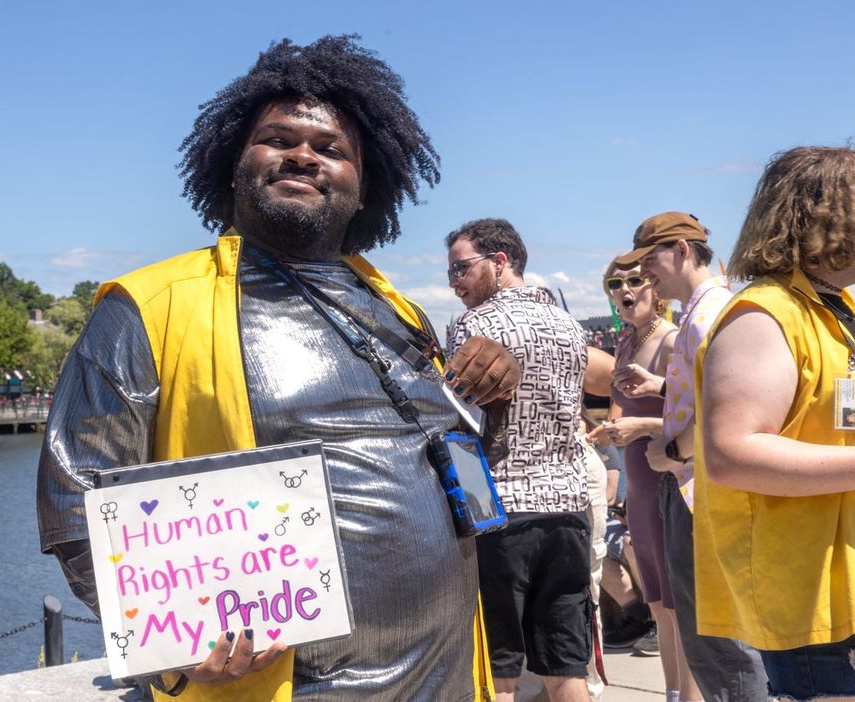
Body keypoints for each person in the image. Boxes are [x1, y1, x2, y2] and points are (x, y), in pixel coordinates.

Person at [36, 36, 523, 702]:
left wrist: (487, 401)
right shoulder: (146, 308)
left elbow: (458, 465)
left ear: (362, 189)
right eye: (277, 139)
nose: (302, 154)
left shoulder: (399, 307)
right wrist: (169, 645)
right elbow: (74, 500)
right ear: (233, 166)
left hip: (446, 678)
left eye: (331, 149)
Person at [696, 144, 855, 700]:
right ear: (820, 217)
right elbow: (732, 452)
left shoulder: (841, 308)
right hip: (821, 581)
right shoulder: (764, 314)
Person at [612, 212, 768, 702]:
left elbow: (735, 413)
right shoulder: (707, 311)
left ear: (681, 250)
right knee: (712, 639)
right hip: (697, 490)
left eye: (648, 263)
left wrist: (672, 448)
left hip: (701, 493)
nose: (644, 278)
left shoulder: (707, 316)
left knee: (720, 644)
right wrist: (662, 386)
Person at [445, 218, 593, 702]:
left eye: (462, 269)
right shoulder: (570, 325)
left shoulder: (476, 324)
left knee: (497, 669)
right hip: (569, 505)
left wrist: (466, 511)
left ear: (500, 262)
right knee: (566, 665)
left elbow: (459, 430)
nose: (455, 283)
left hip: (502, 509)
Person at [588, 260, 696, 701]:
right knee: (657, 603)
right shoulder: (627, 341)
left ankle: (688, 694)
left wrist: (642, 427)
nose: (625, 289)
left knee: (678, 602)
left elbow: (695, 413)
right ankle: (673, 693)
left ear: (656, 288)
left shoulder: (670, 339)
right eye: (616, 283)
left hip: (666, 478)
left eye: (635, 280)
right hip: (638, 480)